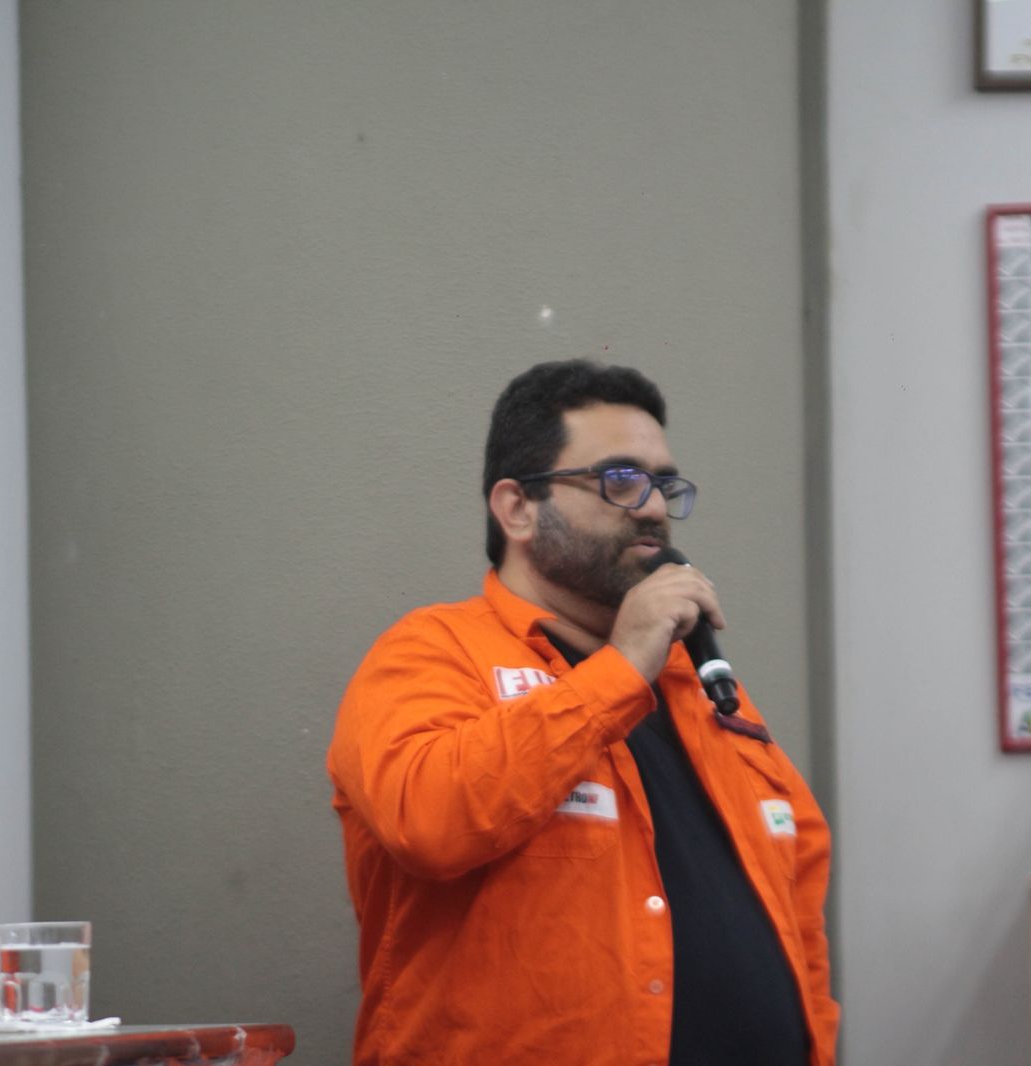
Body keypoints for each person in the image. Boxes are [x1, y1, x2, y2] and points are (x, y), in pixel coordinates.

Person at [328, 359, 840, 1065]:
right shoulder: (429, 652)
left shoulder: (702, 685)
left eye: (663, 484)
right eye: (620, 479)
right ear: (517, 508)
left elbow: (799, 894)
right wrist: (621, 667)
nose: (653, 507)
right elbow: (428, 821)